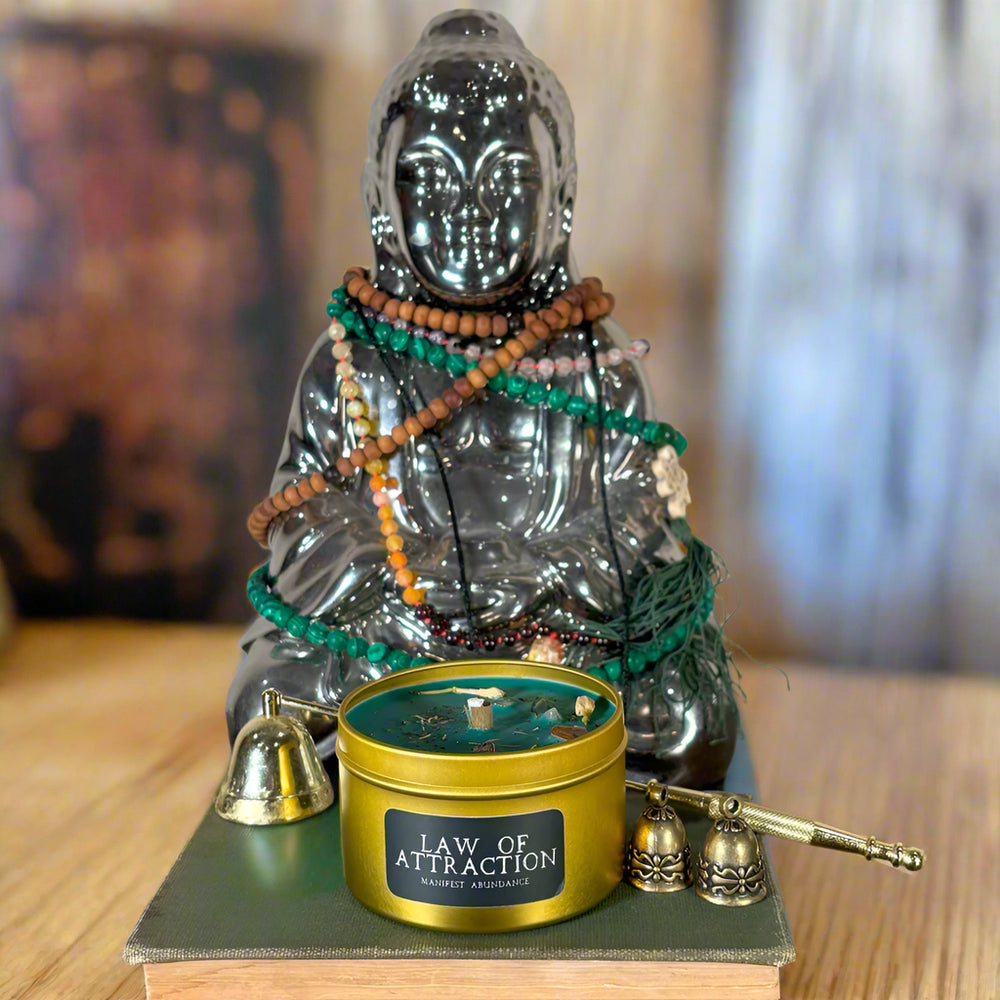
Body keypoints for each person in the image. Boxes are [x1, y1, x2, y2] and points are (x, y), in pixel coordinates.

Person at [227, 10, 737, 787]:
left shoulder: (596, 362)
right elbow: (304, 525)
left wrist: (542, 577)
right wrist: (414, 584)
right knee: (271, 698)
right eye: (430, 178)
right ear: (378, 204)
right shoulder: (351, 360)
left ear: (561, 200)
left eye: (508, 180)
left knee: (691, 716)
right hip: (395, 642)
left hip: (565, 648)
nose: (470, 211)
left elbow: (645, 524)